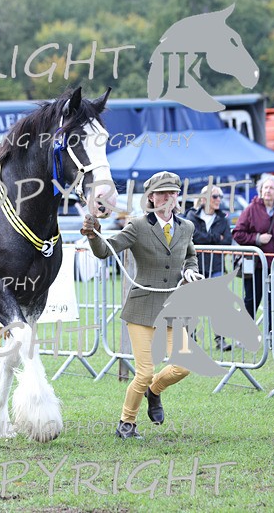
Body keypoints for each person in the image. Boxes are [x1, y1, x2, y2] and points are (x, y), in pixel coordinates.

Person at [81, 171, 203, 439]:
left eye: (173, 192)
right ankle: (126, 423)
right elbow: (105, 250)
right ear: (151, 197)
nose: (169, 198)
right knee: (144, 372)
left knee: (183, 366)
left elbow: (190, 256)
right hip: (142, 307)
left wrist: (191, 271)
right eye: (163, 193)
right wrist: (94, 235)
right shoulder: (137, 226)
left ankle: (154, 392)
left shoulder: (186, 227)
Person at [232, 174, 274, 351]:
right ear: (260, 190)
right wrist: (257, 238)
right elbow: (238, 233)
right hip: (256, 265)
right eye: (265, 187)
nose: (268, 191)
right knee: (251, 300)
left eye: (271, 188)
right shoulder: (251, 209)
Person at [184, 184, 233, 351]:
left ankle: (221, 339)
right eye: (215, 196)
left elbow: (226, 240)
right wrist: (213, 238)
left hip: (216, 265)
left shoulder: (223, 219)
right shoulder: (191, 215)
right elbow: (192, 235)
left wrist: (206, 239)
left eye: (220, 197)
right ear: (204, 199)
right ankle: (190, 337)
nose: (218, 200)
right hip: (195, 265)